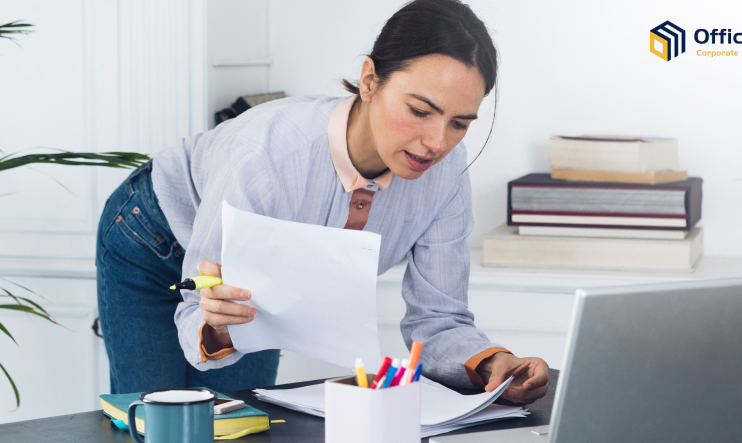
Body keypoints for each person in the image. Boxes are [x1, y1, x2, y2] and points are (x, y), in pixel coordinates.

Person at [96, 0, 549, 403]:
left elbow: (440, 320)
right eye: (420, 110)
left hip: (259, 269)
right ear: (370, 80)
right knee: (152, 430)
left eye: (459, 123)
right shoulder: (266, 157)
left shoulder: (445, 174)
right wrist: (215, 324)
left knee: (244, 435)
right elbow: (201, 313)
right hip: (152, 237)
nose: (436, 142)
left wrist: (495, 367)